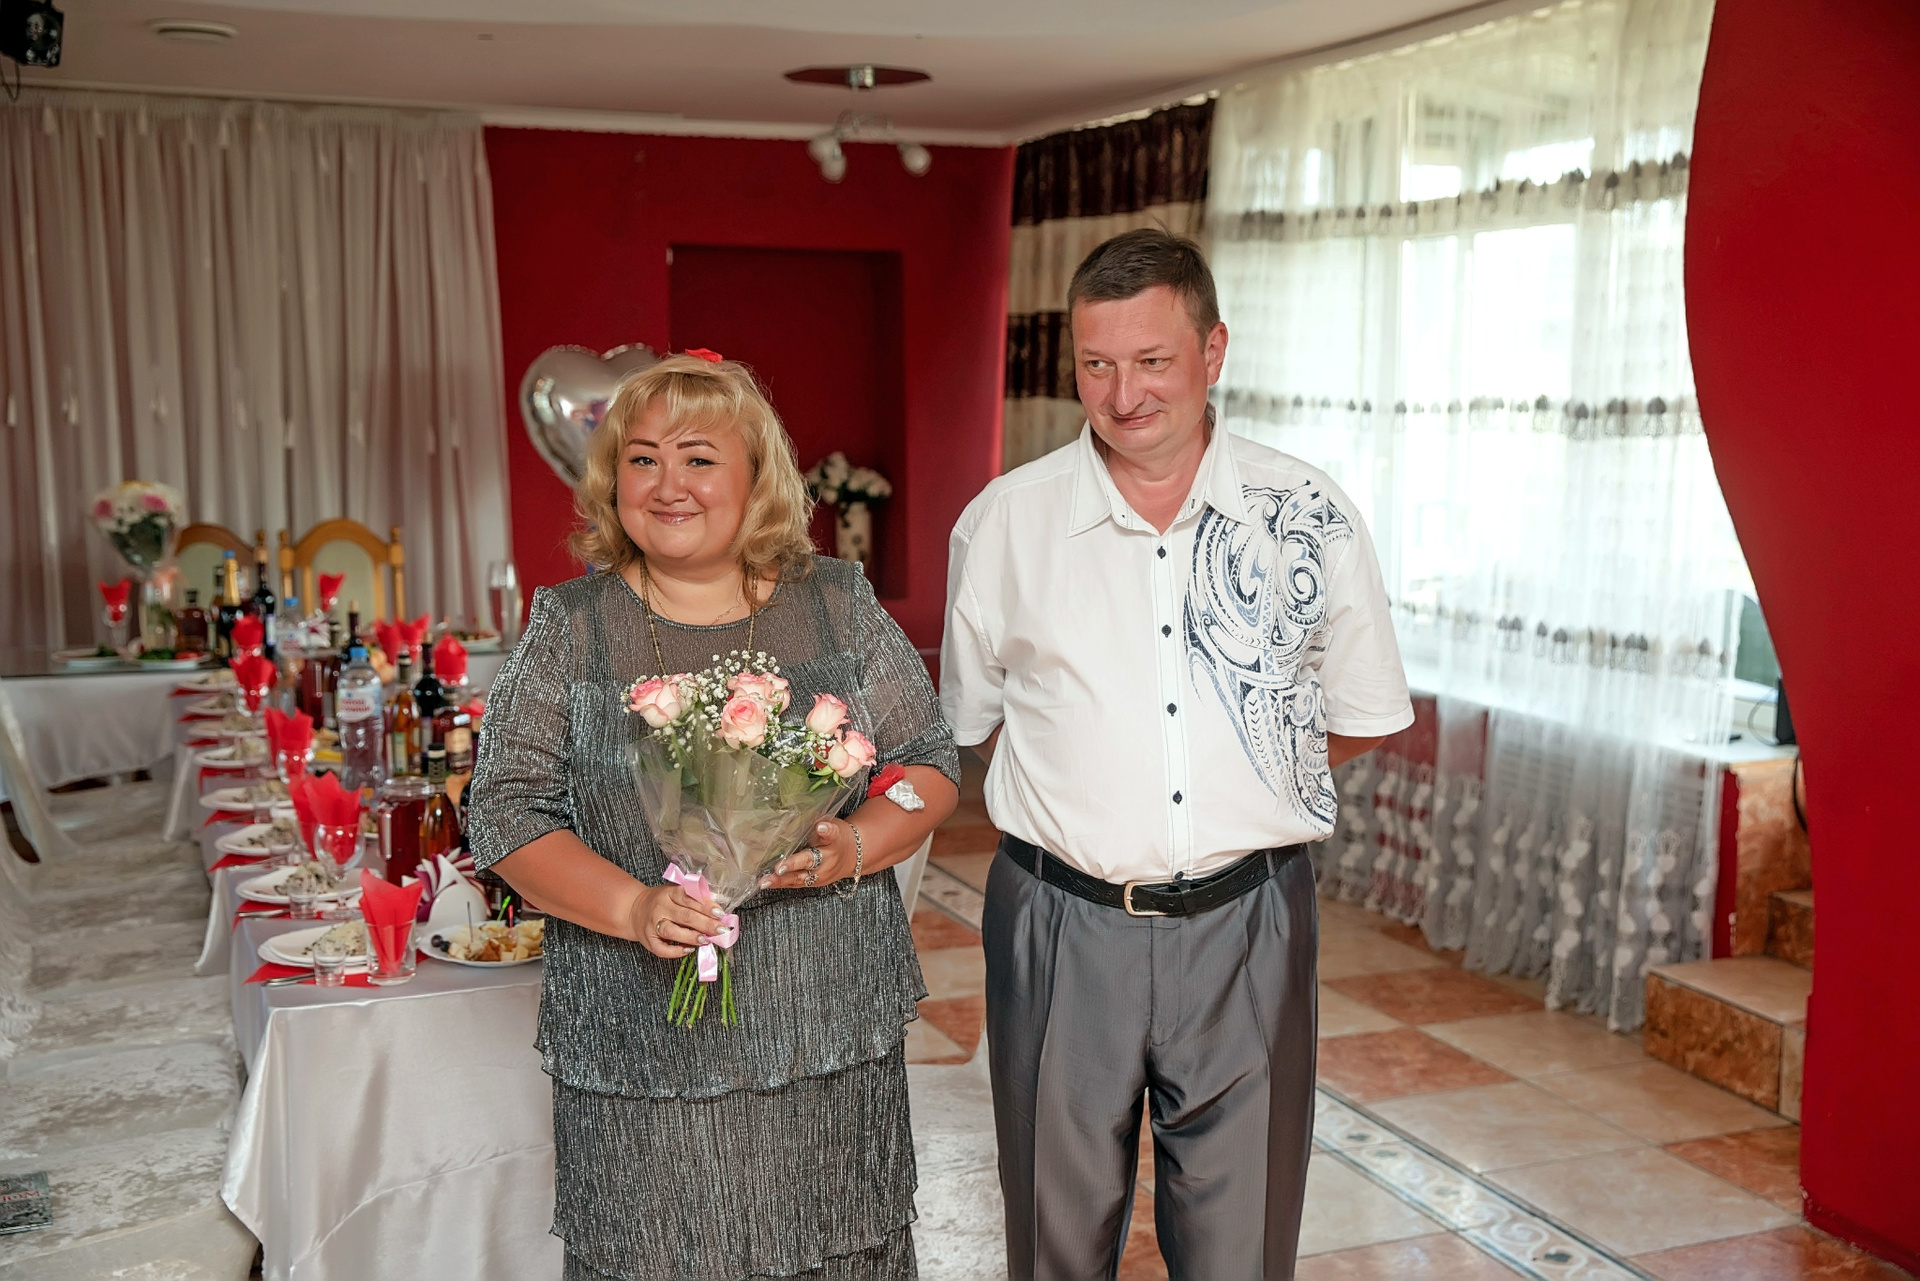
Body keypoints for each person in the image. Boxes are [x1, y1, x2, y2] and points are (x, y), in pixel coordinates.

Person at [941, 228, 1413, 1279]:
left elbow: (1365, 709)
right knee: (1054, 1248)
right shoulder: (1005, 524)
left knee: (1242, 1252)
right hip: (1058, 925)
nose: (1124, 395)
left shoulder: (1309, 517)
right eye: (1097, 365)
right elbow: (975, 720)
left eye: (1152, 360)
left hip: (1252, 923)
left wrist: (1241, 772)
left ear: (1214, 350)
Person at [467, 352, 960, 1281]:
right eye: (642, 459)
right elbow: (503, 810)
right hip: (641, 1044)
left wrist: (858, 840)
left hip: (823, 1023)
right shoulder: (570, 624)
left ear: (755, 476)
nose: (668, 485)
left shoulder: (837, 605)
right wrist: (631, 906)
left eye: (698, 458)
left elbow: (929, 765)